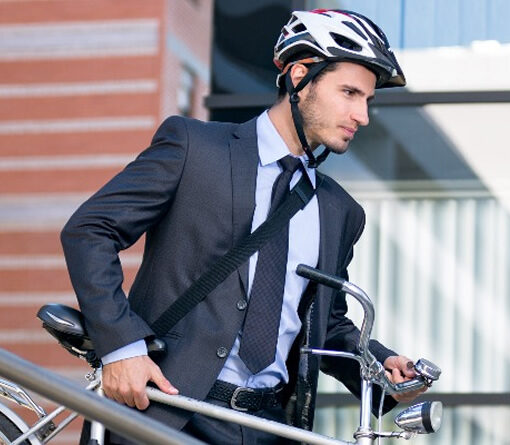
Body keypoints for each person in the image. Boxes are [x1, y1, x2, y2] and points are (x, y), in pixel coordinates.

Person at [61, 9, 425, 444]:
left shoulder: (340, 211)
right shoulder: (195, 149)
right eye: (348, 92)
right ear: (298, 77)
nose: (361, 115)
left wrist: (381, 365)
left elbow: (325, 324)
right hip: (167, 408)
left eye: (367, 100)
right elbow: (90, 231)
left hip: (267, 426)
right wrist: (122, 348)